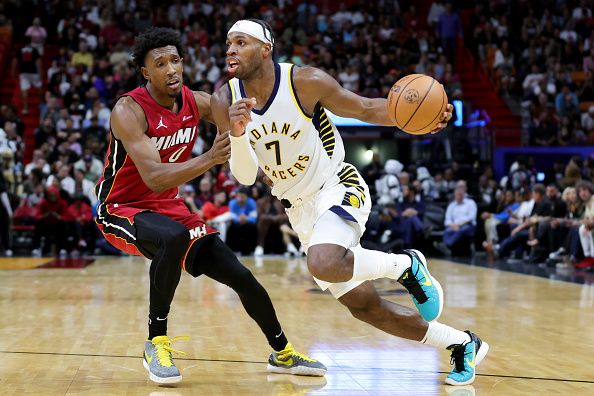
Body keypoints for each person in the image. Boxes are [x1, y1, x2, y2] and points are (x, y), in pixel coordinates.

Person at [211, 19, 488, 386]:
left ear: (265, 49)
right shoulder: (223, 100)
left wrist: (425, 116)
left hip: (336, 185)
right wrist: (237, 131)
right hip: (300, 210)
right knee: (366, 308)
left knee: (323, 262)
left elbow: (366, 109)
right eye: (228, 42)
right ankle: (461, 343)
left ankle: (407, 265)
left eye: (241, 42)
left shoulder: (304, 81)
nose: (231, 49)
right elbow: (245, 177)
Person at [94, 27, 325, 385]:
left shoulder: (197, 101)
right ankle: (156, 341)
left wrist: (265, 171)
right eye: (160, 63)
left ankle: (282, 351)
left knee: (242, 276)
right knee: (172, 237)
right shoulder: (128, 110)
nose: (171, 69)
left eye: (175, 61)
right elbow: (154, 177)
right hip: (121, 208)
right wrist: (210, 158)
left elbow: (238, 141)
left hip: (168, 207)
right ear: (145, 72)